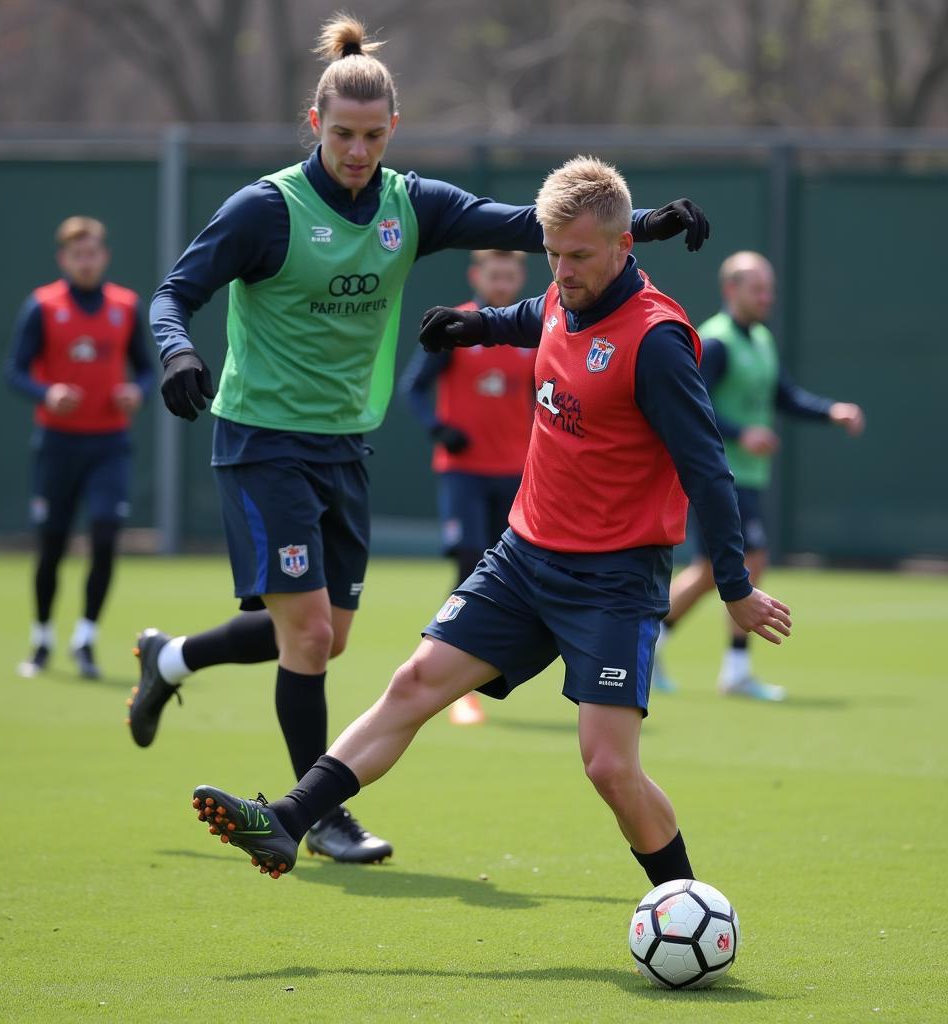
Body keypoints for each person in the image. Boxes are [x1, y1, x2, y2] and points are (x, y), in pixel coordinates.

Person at [129, 14, 712, 865]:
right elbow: (172, 293)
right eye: (341, 135)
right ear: (314, 127)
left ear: (392, 129)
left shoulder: (409, 205)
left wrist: (646, 223)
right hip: (262, 439)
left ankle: (171, 657)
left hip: (343, 446)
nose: (357, 152)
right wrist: (178, 351)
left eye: (372, 136)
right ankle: (308, 821)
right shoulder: (266, 209)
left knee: (323, 630)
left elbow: (526, 225)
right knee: (312, 640)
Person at [189, 156, 793, 886]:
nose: (562, 270)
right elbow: (534, 316)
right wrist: (470, 328)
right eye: (552, 254)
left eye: (578, 256)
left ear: (623, 246)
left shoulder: (657, 341)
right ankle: (287, 821)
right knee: (413, 683)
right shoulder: (566, 297)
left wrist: (733, 586)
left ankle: (685, 902)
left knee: (608, 767)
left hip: (613, 579)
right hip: (522, 558)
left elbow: (708, 471)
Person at [653, 251, 864, 701]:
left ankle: (652, 645)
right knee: (749, 561)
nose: (767, 297)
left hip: (747, 476)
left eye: (769, 288)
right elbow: (694, 405)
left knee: (712, 571)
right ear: (731, 289)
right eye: (757, 288)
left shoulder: (761, 340)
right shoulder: (715, 341)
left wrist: (832, 413)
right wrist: (740, 432)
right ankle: (732, 668)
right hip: (717, 476)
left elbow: (784, 396)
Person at [5, 216, 153, 680]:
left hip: (109, 443)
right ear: (63, 259)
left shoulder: (124, 307)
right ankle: (43, 637)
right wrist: (46, 393)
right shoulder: (43, 306)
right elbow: (14, 370)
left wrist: (138, 392)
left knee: (106, 537)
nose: (85, 261)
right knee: (51, 544)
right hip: (58, 444)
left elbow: (146, 369)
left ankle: (86, 637)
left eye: (92, 253)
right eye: (76, 254)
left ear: (104, 256)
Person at [399, 249, 534, 725]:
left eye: (509, 274)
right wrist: (439, 428)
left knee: (510, 572)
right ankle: (453, 680)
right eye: (493, 274)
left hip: (515, 472)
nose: (501, 282)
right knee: (471, 556)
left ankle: (477, 671)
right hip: (464, 471)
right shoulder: (458, 326)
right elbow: (413, 386)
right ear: (477, 275)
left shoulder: (530, 332)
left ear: (520, 277)